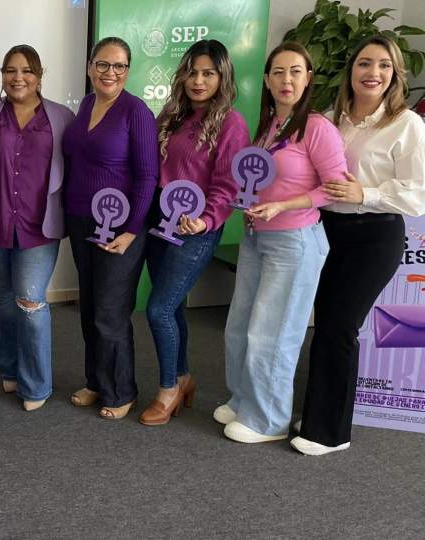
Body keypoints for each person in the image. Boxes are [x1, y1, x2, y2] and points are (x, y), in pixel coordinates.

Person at [294, 35, 425, 455]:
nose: (374, 73)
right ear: (351, 70)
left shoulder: (407, 124)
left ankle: (330, 433)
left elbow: (417, 193)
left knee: (339, 327)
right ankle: (317, 412)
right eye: (365, 63)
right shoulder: (332, 119)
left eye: (384, 65)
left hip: (375, 234)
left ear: (395, 74)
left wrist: (363, 194)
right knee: (322, 324)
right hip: (327, 229)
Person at [217, 43, 347, 444]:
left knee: (272, 333)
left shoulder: (318, 128)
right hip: (258, 236)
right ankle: (244, 399)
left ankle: (268, 419)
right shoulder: (268, 124)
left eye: (295, 71)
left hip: (295, 240)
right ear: (268, 80)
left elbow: (336, 188)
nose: (285, 79)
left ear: (308, 78)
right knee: (239, 327)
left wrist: (283, 205)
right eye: (277, 72)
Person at [139, 40, 248, 426]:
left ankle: (168, 387)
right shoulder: (171, 114)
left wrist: (205, 219)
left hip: (195, 230)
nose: (199, 81)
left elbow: (228, 184)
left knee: (158, 308)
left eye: (209, 73)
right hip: (159, 223)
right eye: (193, 72)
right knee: (175, 307)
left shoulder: (230, 123)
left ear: (222, 77)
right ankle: (183, 378)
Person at [63, 37, 159, 420]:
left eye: (119, 66)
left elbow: (148, 175)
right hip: (82, 220)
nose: (110, 73)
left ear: (128, 71)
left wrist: (133, 229)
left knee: (110, 310)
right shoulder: (86, 104)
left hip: (121, 226)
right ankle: (97, 381)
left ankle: (121, 390)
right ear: (90, 67)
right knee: (89, 305)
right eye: (103, 64)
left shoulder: (136, 112)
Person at [0, 45, 75, 411]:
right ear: (2, 74)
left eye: (27, 71)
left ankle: (36, 385)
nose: (18, 78)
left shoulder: (61, 117)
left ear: (39, 75)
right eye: (10, 70)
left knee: (31, 303)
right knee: (4, 303)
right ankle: (11, 369)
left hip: (39, 226)